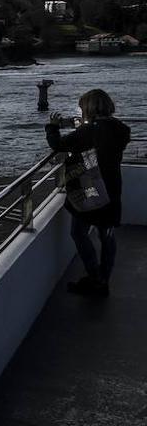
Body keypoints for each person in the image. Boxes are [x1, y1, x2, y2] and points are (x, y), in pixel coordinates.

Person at [46, 88, 130, 298]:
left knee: (79, 233)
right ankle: (104, 279)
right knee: (107, 237)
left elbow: (58, 145)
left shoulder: (86, 132)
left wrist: (52, 127)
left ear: (88, 108)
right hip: (112, 190)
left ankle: (94, 277)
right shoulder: (122, 129)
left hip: (90, 189)